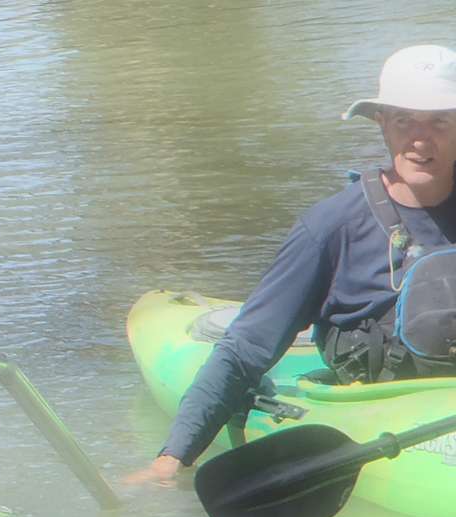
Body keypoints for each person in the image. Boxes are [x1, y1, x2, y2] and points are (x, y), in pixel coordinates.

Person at [129, 45, 456, 487]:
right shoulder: (331, 227)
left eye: (439, 120)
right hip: (391, 409)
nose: (421, 139)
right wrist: (172, 459)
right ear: (381, 124)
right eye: (404, 121)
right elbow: (245, 349)